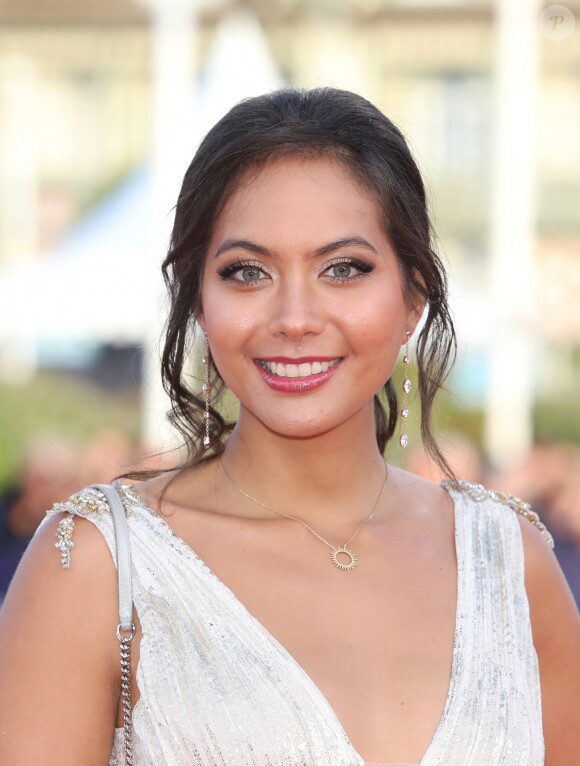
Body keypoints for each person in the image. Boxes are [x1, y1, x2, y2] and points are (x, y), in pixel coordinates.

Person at [1, 87, 579, 766]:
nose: (295, 318)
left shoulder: (510, 564)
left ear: (413, 294)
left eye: (343, 269)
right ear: (198, 299)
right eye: (247, 272)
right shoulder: (98, 566)